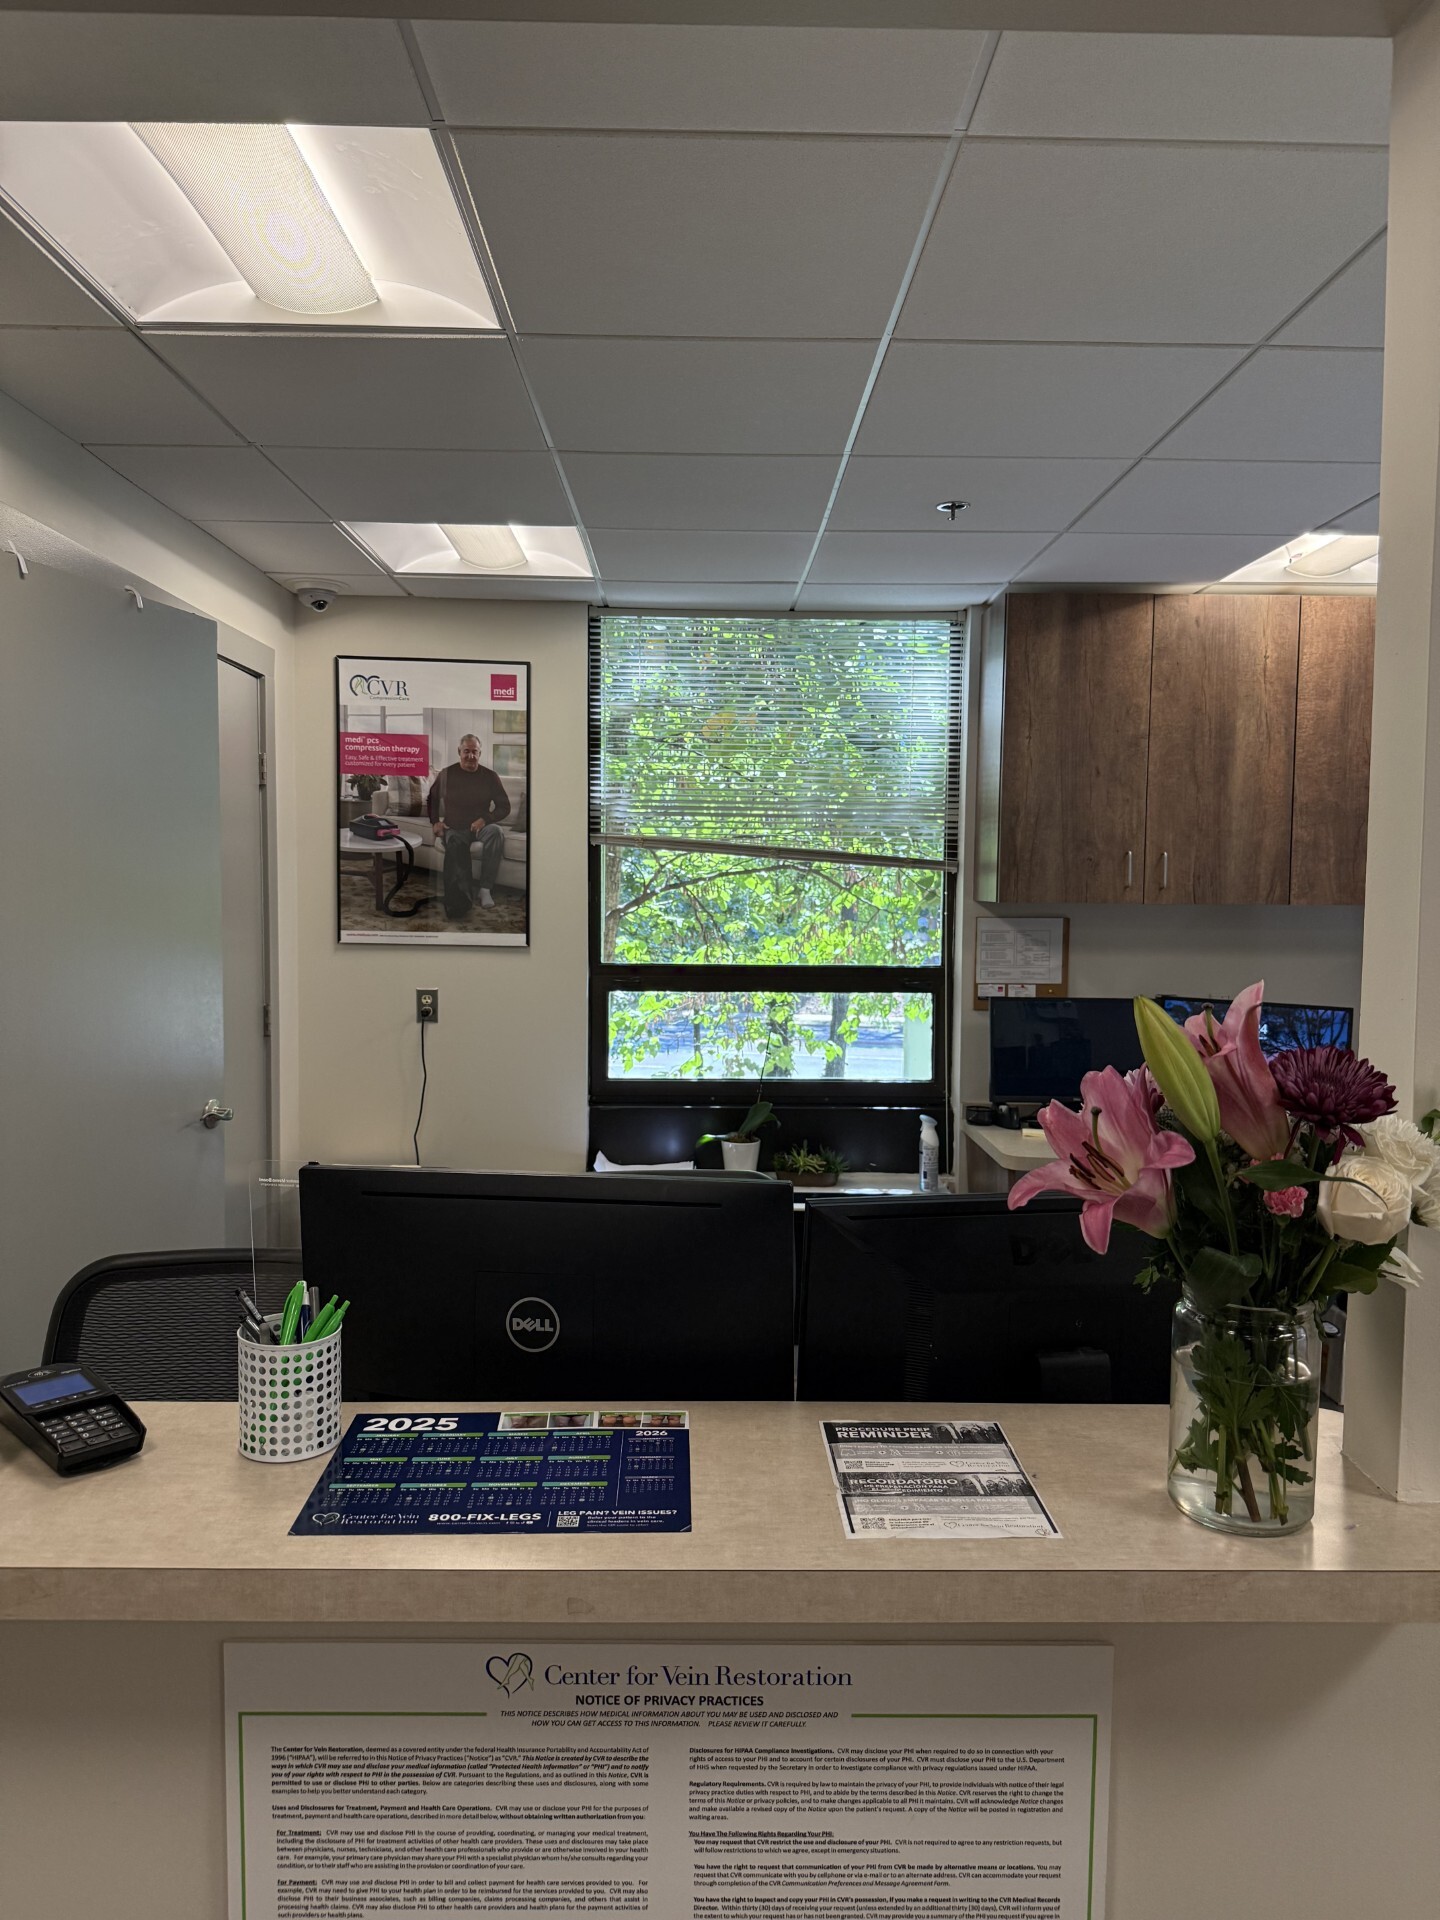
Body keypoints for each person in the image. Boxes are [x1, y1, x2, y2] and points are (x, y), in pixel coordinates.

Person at [427, 732, 510, 919]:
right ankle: (460, 900)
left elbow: (505, 807)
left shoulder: (490, 776)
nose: (471, 756)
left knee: (496, 832)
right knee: (456, 846)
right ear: (459, 752)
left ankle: (485, 889)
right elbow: (432, 798)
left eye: (475, 752)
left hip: (480, 827)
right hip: (455, 827)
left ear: (480, 753)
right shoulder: (447, 774)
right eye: (466, 751)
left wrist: (485, 819)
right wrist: (435, 821)